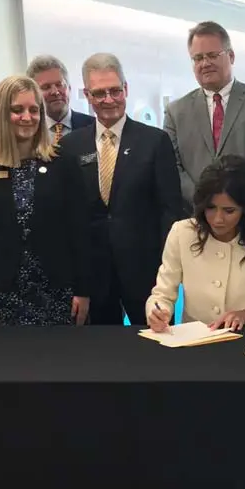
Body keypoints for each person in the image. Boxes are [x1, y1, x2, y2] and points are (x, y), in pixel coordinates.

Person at [59, 53, 185, 326]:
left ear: (126, 89)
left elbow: (170, 209)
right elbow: (68, 214)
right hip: (94, 273)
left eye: (115, 90)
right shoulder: (70, 147)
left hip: (146, 271)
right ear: (87, 95)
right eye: (99, 93)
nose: (108, 100)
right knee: (104, 357)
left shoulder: (154, 142)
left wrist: (168, 266)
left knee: (157, 347)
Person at [0, 76, 91, 326]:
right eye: (17, 110)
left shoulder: (63, 164)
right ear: (1, 114)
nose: (27, 117)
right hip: (6, 292)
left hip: (59, 291)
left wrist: (83, 289)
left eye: (34, 110)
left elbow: (80, 233)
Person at [147, 155, 245, 331]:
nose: (218, 219)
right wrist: (157, 311)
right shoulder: (182, 233)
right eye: (210, 208)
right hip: (196, 346)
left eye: (229, 211)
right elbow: (162, 295)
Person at [163, 21, 245, 219]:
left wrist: (234, 200)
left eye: (213, 55)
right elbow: (172, 168)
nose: (205, 63)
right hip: (197, 219)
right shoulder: (175, 111)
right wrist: (205, 201)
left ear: (231, 56)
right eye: (198, 58)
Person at [25, 55, 95, 143]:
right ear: (33, 94)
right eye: (46, 87)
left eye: (59, 85)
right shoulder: (29, 132)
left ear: (69, 88)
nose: (55, 92)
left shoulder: (92, 126)